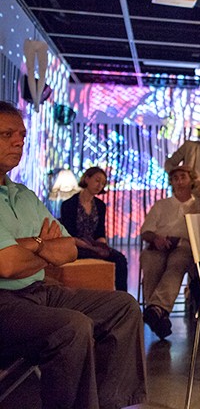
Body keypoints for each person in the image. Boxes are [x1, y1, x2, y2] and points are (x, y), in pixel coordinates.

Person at [0, 101, 146, 408]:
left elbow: (68, 249)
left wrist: (33, 244)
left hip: (40, 290)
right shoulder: (67, 203)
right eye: (7, 134)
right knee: (73, 326)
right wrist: (45, 248)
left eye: (22, 135)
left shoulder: (24, 195)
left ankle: (108, 402)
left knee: (124, 306)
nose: (19, 141)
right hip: (4, 302)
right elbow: (9, 265)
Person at [140, 164, 200, 339]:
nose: (179, 182)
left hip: (185, 245)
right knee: (150, 262)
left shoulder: (196, 204)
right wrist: (156, 238)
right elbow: (145, 231)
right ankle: (159, 314)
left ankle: (156, 309)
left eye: (183, 177)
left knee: (176, 265)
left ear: (190, 180)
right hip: (160, 244)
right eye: (175, 178)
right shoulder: (162, 205)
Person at [59, 166, 129, 291]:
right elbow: (68, 234)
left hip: (93, 244)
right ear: (87, 179)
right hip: (77, 244)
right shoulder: (69, 204)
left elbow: (100, 232)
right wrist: (89, 246)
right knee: (94, 256)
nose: (99, 185)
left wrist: (101, 245)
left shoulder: (100, 205)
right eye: (97, 180)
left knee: (120, 259)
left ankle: (122, 297)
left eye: (103, 183)